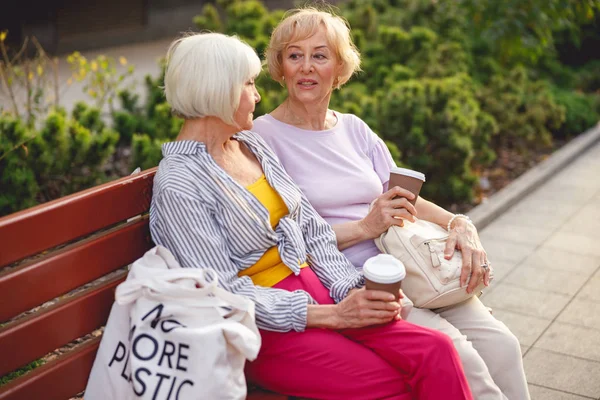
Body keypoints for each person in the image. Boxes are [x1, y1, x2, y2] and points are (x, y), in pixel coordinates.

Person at [149, 32, 472, 400]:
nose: (257, 95)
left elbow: (312, 230)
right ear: (216, 89)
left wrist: (352, 290)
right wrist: (333, 316)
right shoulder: (180, 182)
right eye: (249, 84)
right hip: (262, 325)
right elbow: (222, 293)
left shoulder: (249, 145)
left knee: (437, 352)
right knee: (395, 385)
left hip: (319, 290)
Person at [251, 8, 530, 400]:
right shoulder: (264, 137)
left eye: (320, 55)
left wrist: (460, 223)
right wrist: (365, 228)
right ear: (280, 66)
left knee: (503, 346)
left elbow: (404, 196)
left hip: (414, 266)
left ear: (339, 66)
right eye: (294, 55)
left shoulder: (353, 128)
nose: (306, 68)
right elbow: (284, 238)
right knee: (462, 358)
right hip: (356, 282)